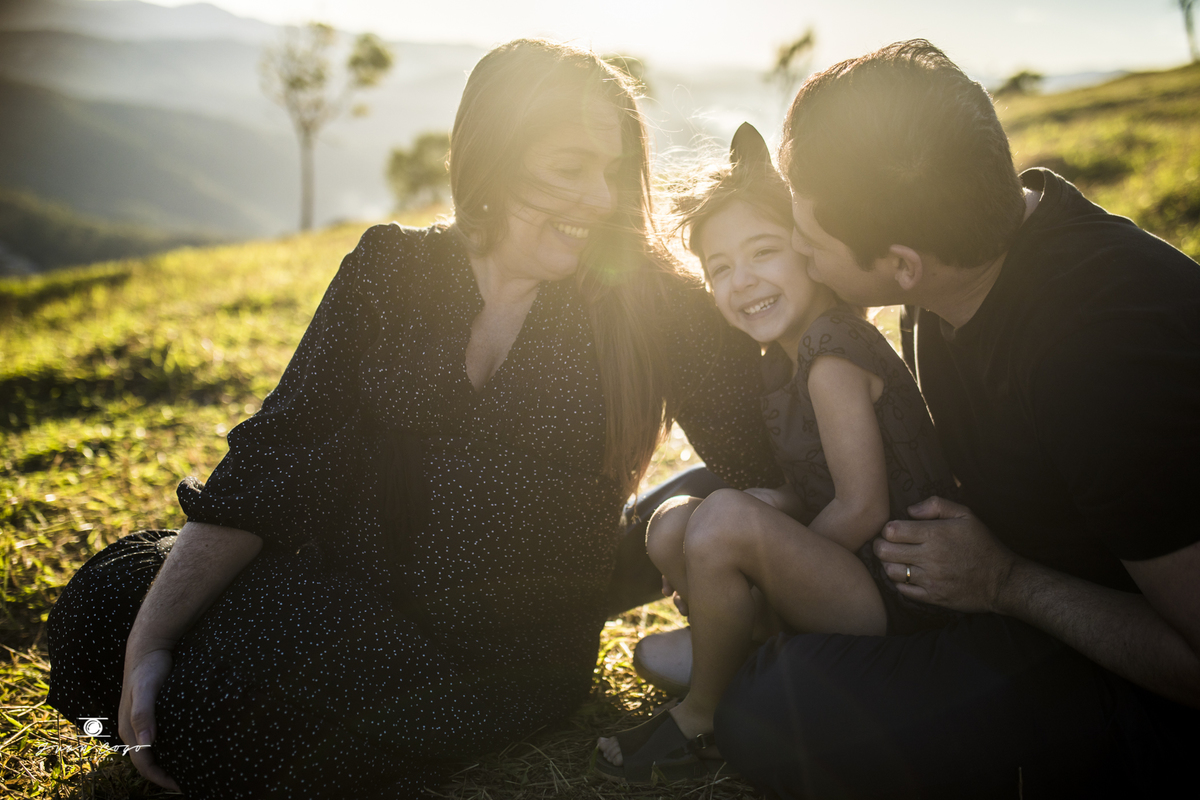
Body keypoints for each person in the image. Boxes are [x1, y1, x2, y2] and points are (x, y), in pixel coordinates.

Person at [45, 39, 781, 800]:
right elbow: (278, 450)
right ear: (492, 158)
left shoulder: (651, 303)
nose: (601, 197)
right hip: (335, 583)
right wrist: (153, 638)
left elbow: (767, 459)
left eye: (614, 170)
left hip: (495, 652)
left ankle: (195, 706)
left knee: (208, 716)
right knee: (102, 611)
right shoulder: (391, 266)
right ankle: (175, 681)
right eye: (571, 168)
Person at [712, 40, 1200, 799]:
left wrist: (1007, 581)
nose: (800, 257)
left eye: (808, 242)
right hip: (1025, 574)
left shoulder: (1105, 364)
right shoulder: (976, 246)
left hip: (1133, 672)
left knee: (770, 709)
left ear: (902, 267)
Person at [595, 122, 960, 783]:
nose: (743, 282)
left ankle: (702, 717)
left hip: (898, 588)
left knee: (725, 520)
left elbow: (862, 504)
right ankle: (734, 646)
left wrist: (767, 557)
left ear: (808, 250)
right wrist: (777, 505)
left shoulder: (830, 354)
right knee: (677, 518)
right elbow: (823, 483)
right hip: (855, 564)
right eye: (720, 269)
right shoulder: (782, 359)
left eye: (763, 252)